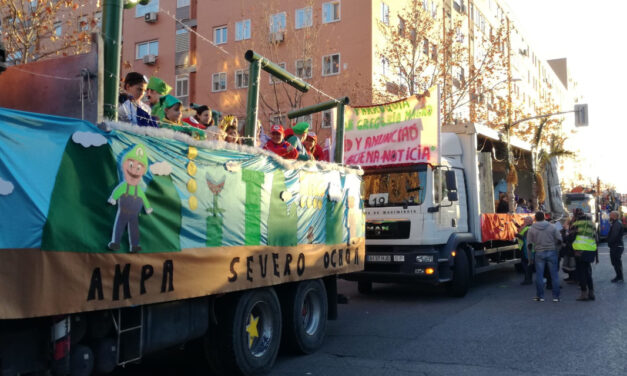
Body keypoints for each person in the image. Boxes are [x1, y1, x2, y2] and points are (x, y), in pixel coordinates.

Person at [527, 211, 562, 302]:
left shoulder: (531, 229)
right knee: (554, 275)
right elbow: (559, 240)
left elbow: (529, 245)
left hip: (539, 252)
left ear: (535, 218)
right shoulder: (552, 227)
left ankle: (540, 296)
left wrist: (530, 258)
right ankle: (556, 296)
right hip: (551, 251)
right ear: (544, 217)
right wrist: (557, 250)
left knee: (539, 275)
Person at [571, 208, 599, 301]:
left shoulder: (577, 224)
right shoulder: (592, 225)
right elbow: (596, 238)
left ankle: (584, 294)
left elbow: (571, 236)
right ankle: (591, 293)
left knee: (581, 273)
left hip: (580, 251)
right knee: (588, 272)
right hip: (591, 250)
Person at [607, 210, 624, 282]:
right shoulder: (616, 223)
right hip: (617, 245)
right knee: (616, 262)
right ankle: (619, 276)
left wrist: (609, 242)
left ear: (614, 216)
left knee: (616, 262)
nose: (609, 216)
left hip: (616, 246)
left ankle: (619, 277)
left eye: (610, 215)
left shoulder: (617, 224)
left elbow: (614, 235)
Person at [516, 216, 534, 285]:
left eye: (526, 220)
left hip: (527, 249)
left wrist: (518, 235)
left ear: (529, 221)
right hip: (526, 248)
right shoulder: (527, 227)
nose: (524, 221)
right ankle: (528, 279)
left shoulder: (529, 228)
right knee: (527, 264)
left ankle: (528, 280)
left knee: (527, 265)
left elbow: (525, 238)